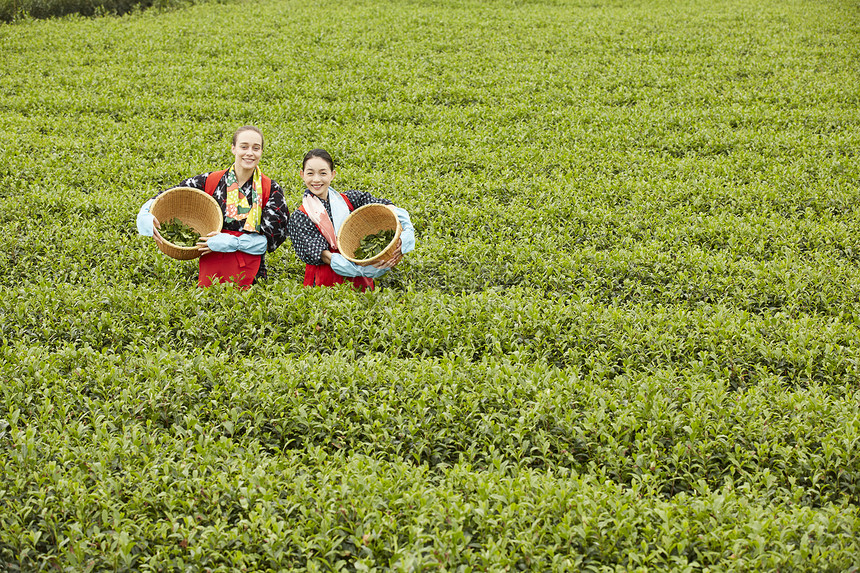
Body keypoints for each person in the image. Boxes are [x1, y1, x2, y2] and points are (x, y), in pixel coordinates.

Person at [137, 126, 290, 288]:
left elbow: (269, 241)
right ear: (233, 148)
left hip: (253, 275)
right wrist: (146, 212)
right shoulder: (211, 180)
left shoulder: (271, 189)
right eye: (244, 147)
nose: (250, 153)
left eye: (256, 148)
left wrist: (233, 242)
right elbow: (173, 194)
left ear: (261, 151)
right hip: (212, 267)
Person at [288, 148, 415, 290]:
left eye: (323, 173)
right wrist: (363, 270)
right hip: (325, 282)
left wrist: (405, 232)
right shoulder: (300, 216)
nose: (316, 179)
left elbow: (385, 207)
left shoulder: (350, 199)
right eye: (310, 173)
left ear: (332, 175)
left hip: (360, 278)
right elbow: (325, 256)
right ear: (302, 175)